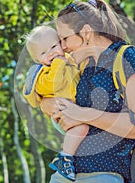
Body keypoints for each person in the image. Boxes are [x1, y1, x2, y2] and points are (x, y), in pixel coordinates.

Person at [40, 0, 135, 183]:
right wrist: (48, 104)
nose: (62, 47)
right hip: (68, 176)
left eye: (65, 38)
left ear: (86, 32)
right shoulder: (85, 68)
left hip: (106, 175)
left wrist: (82, 114)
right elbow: (51, 97)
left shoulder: (129, 57)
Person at [23, 25, 89, 181]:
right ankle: (64, 159)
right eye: (44, 52)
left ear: (61, 44)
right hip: (62, 114)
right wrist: (59, 63)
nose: (51, 53)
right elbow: (54, 84)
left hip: (75, 108)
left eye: (53, 46)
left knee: (86, 128)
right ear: (37, 60)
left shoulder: (69, 62)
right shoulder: (42, 75)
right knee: (82, 128)